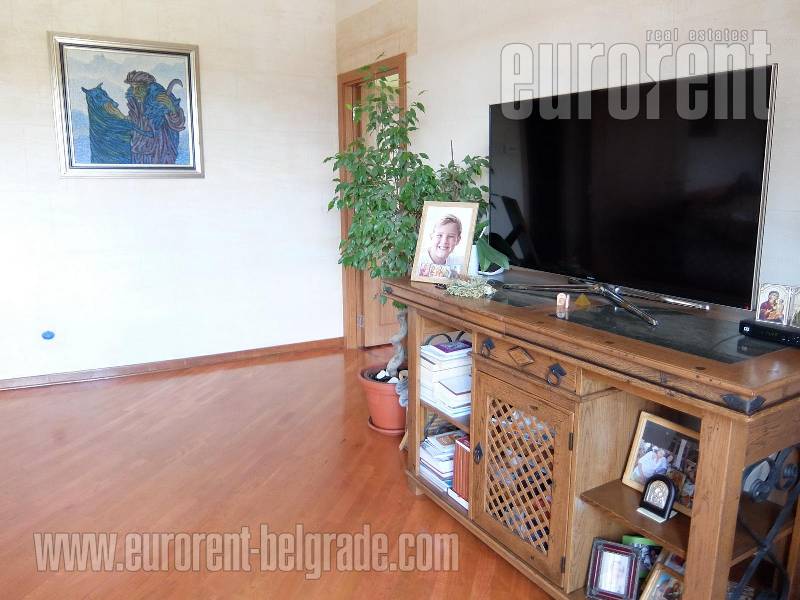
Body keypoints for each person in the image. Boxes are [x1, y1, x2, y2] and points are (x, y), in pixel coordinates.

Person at [124, 70, 187, 164]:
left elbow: (178, 124)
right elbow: (134, 122)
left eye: (138, 88)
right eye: (133, 88)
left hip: (160, 150)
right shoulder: (135, 102)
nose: (135, 92)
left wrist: (171, 108)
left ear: (147, 87)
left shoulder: (162, 98)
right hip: (139, 151)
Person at [417, 214, 464, 278]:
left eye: (450, 236)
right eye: (439, 235)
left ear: (458, 240)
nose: (444, 241)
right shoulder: (418, 261)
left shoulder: (459, 264)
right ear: (431, 236)